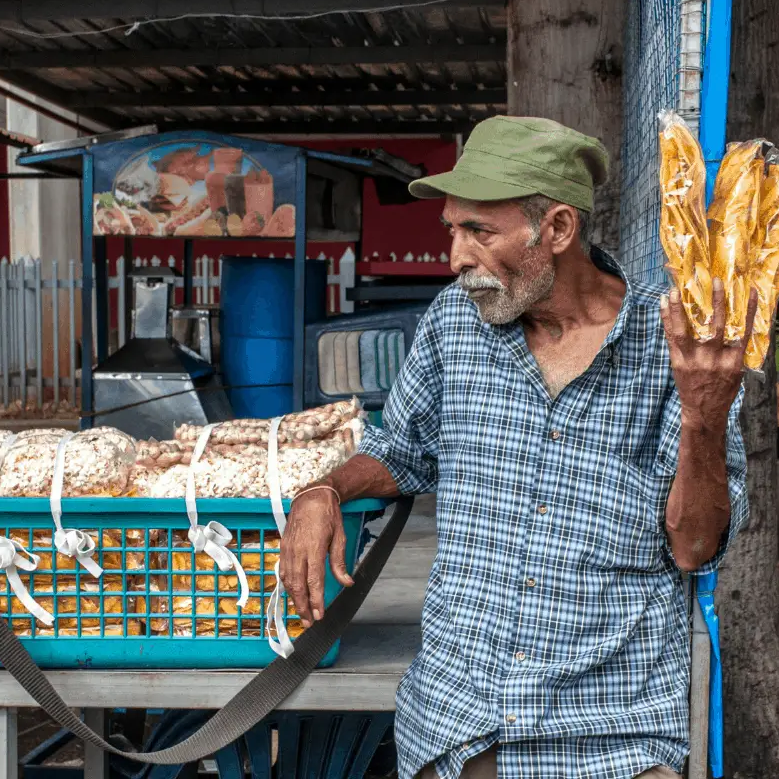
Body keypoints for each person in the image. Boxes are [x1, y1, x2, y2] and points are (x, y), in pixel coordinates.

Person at [279, 116, 751, 779]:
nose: (455, 258)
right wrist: (323, 492)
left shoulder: (673, 344)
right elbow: (402, 448)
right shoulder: (455, 321)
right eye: (452, 229)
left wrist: (703, 416)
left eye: (479, 231)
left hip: (610, 737)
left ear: (557, 229)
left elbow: (695, 547)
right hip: (460, 726)